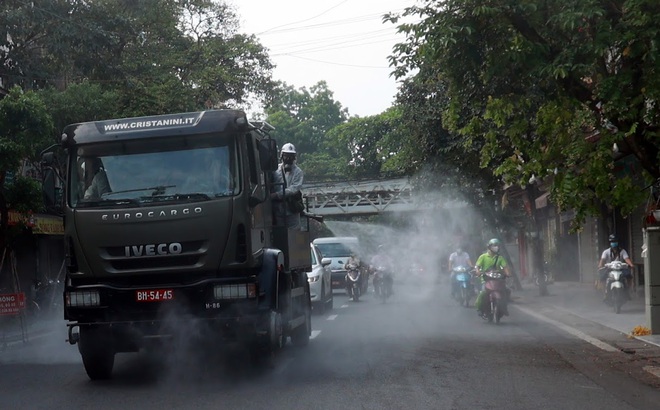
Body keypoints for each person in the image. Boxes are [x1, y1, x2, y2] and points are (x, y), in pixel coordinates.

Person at [271, 143, 304, 230]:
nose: (289, 159)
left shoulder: (298, 172)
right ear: (282, 156)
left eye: (291, 156)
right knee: (280, 233)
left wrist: (277, 194)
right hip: (278, 209)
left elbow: (294, 189)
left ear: (294, 157)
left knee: (294, 233)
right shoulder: (275, 170)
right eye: (286, 156)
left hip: (291, 208)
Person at [474, 238, 511, 316]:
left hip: (498, 280)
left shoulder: (500, 258)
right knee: (483, 293)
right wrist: (478, 271)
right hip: (486, 279)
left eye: (498, 246)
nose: (496, 247)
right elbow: (477, 266)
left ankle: (504, 308)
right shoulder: (483, 257)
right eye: (494, 245)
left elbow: (505, 267)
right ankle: (479, 307)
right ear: (489, 247)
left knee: (506, 291)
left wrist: (507, 273)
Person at [598, 234, 634, 301]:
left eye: (615, 241)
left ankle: (628, 291)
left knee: (629, 276)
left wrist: (631, 264)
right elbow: (602, 260)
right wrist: (600, 266)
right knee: (602, 278)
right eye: (612, 241)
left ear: (617, 242)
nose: (613, 243)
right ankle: (604, 293)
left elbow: (626, 259)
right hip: (609, 269)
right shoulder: (606, 252)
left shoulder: (622, 251)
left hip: (621, 269)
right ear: (610, 243)